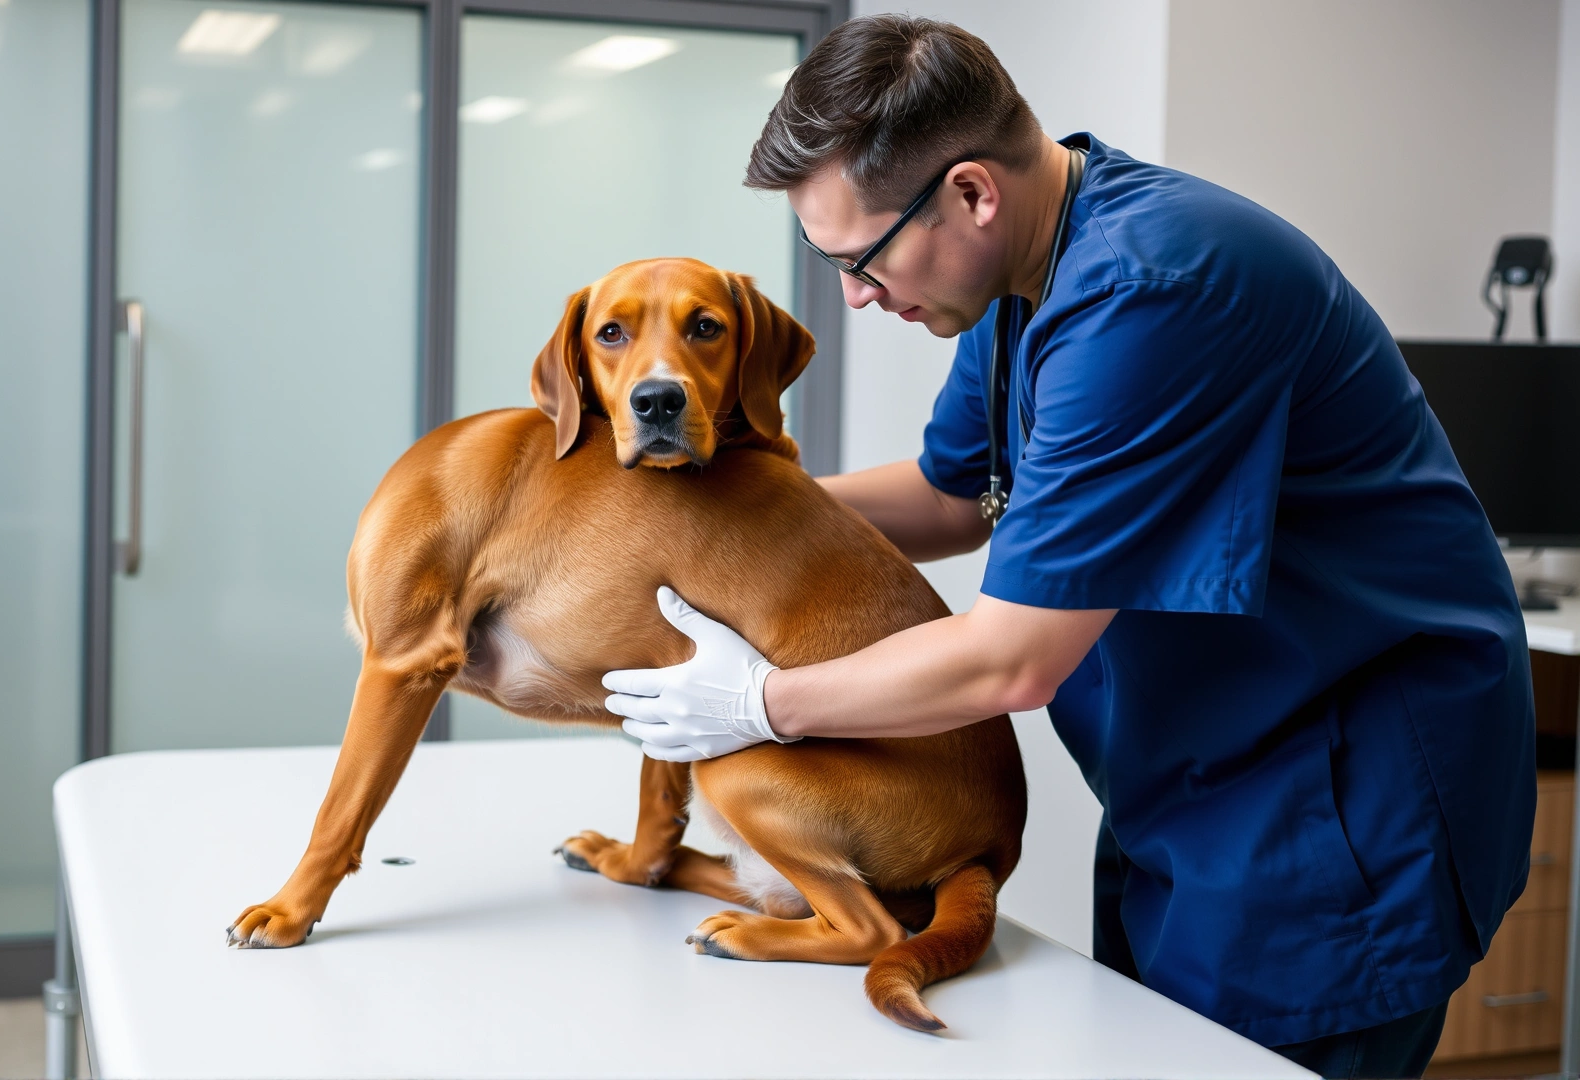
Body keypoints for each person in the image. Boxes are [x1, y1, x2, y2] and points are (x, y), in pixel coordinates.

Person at [600, 15, 1536, 1078]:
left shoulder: (1158, 291)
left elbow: (1012, 659)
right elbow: (956, 494)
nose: (858, 295)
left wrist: (756, 705)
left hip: (1339, 805)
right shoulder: (1020, 277)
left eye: (863, 258)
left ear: (969, 193)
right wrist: (730, 515)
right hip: (1193, 775)